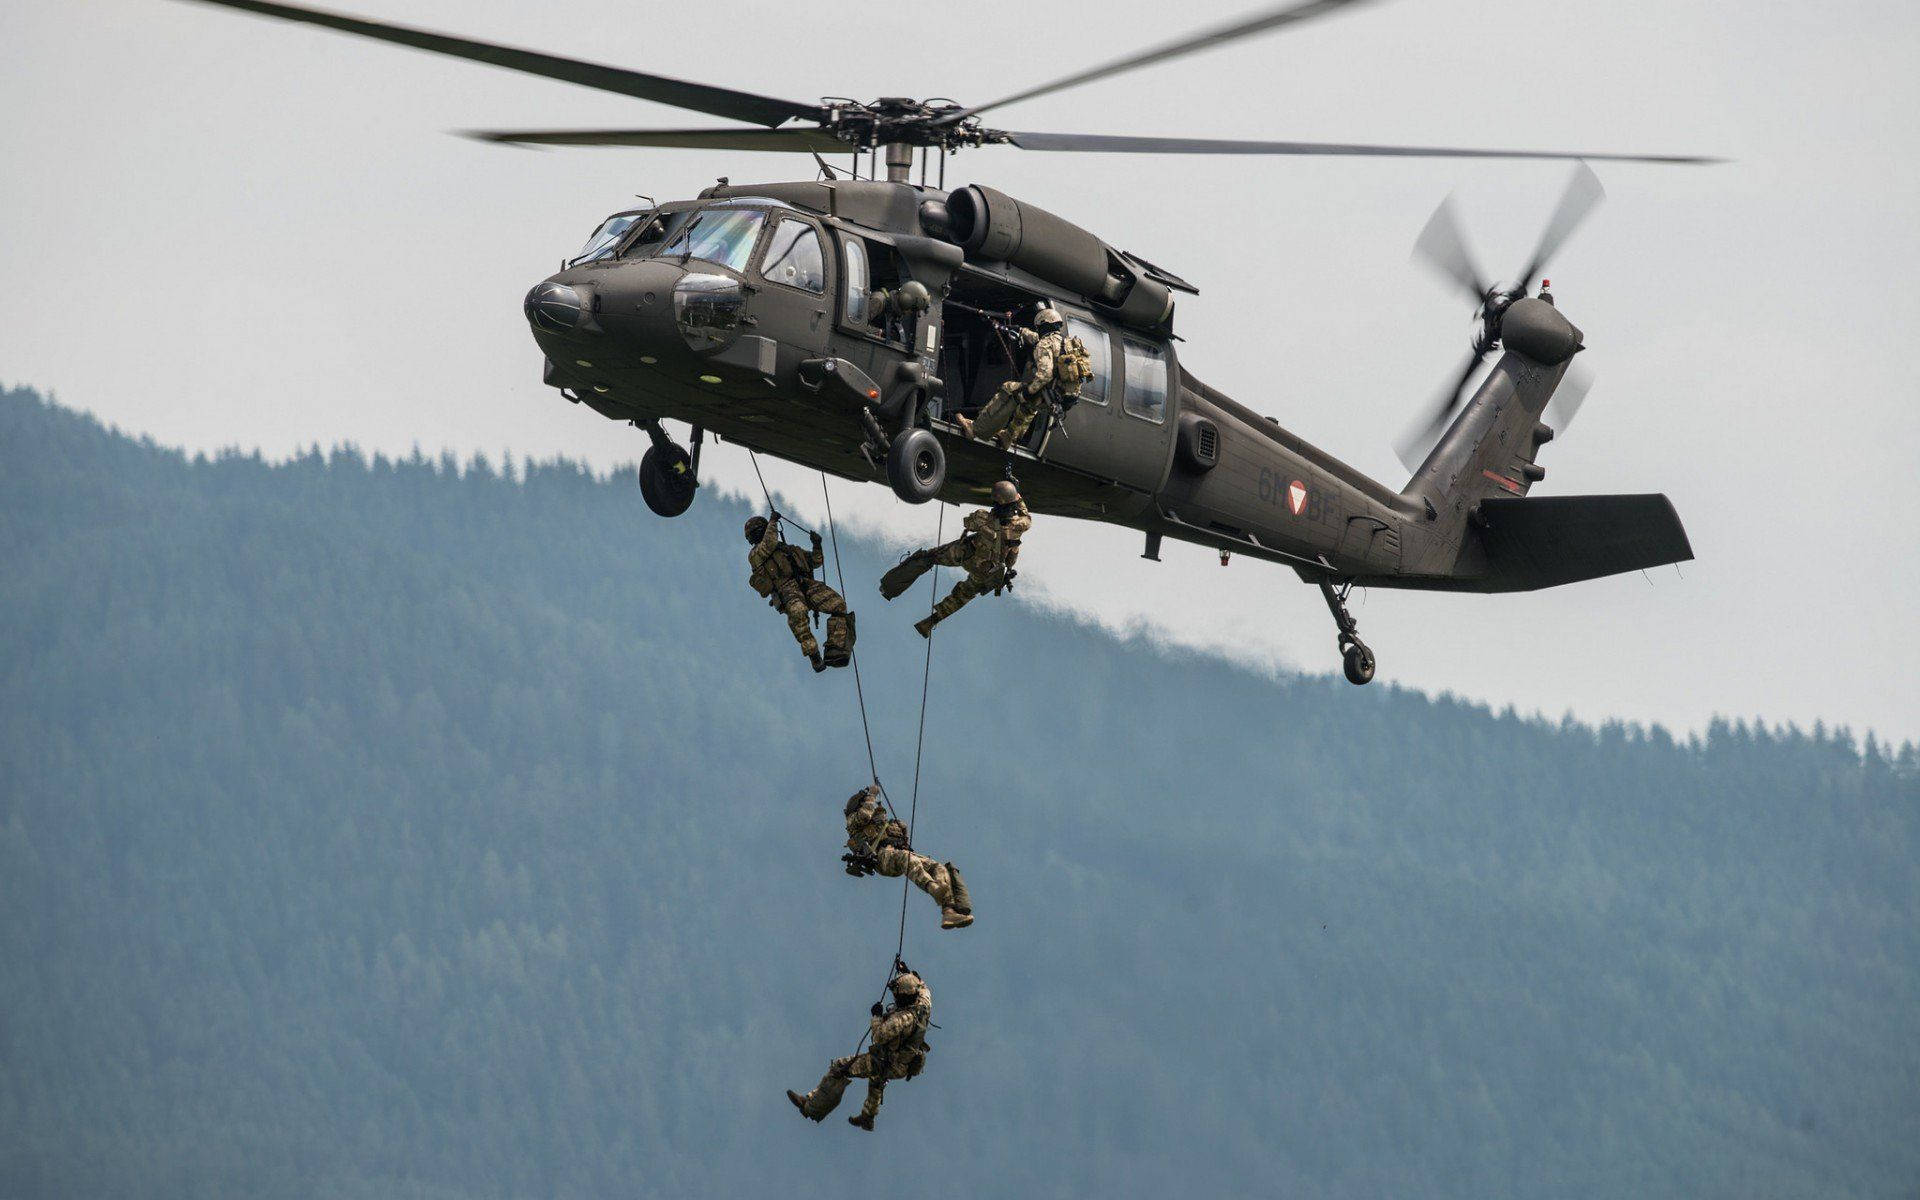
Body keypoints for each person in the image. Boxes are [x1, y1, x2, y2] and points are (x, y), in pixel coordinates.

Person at [787, 964, 933, 1131]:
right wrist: (906, 973)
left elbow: (878, 1037)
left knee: (840, 1067)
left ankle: (811, 1107)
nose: (895, 998)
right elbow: (922, 984)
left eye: (897, 995)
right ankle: (867, 1118)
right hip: (903, 1064)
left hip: (889, 1062)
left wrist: (877, 1016)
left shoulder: (902, 1020)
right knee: (876, 1081)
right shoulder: (924, 1002)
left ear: (905, 997)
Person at [877, 480, 1031, 638]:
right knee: (962, 596)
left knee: (928, 558)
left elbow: (968, 523)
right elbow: (1025, 514)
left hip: (965, 555)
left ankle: (890, 587)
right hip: (986, 570)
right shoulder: (1020, 526)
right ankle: (930, 622)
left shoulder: (982, 517)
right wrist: (1017, 497)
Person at [841, 785, 974, 930]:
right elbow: (865, 815)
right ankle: (933, 888)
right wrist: (871, 795)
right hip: (882, 857)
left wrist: (898, 829)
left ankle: (949, 912)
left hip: (897, 853)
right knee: (907, 858)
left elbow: (896, 832)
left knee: (938, 867)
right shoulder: (852, 821)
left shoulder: (878, 823)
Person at [956, 305, 1079, 450]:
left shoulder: (1045, 344)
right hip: (1061, 399)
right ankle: (1008, 437)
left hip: (1048, 394)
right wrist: (1020, 331)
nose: (1038, 330)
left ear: (1045, 326)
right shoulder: (1066, 343)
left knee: (1009, 390)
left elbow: (1045, 375)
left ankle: (976, 429)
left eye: (1040, 327)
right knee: (1029, 407)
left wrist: (1027, 392)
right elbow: (1037, 338)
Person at [745, 515, 853, 672]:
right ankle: (813, 654)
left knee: (838, 605)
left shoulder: (788, 550)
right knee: (798, 612)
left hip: (805, 584)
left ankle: (835, 649)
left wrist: (817, 545)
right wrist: (773, 522)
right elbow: (769, 543)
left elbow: (815, 561)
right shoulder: (755, 555)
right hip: (786, 590)